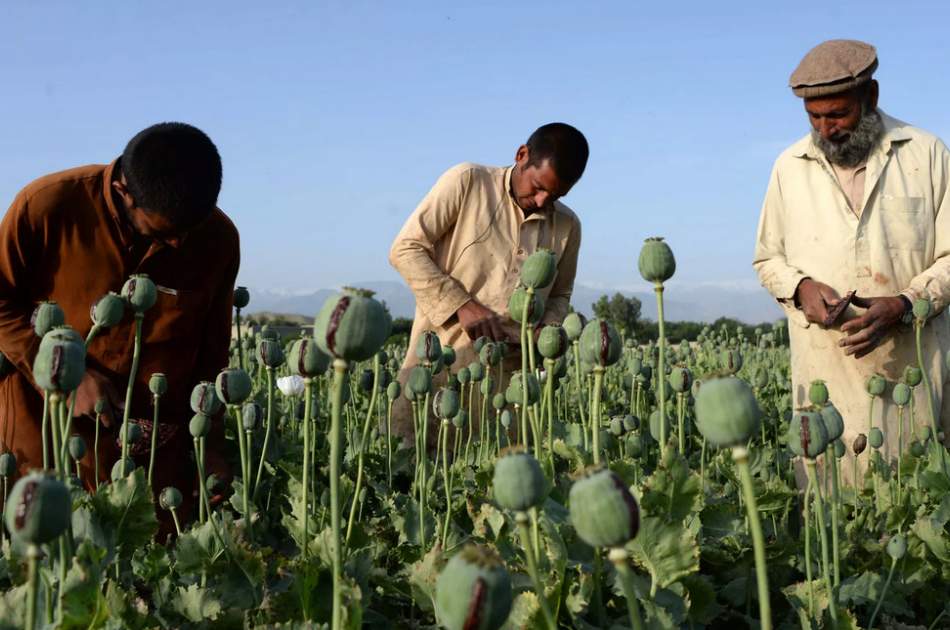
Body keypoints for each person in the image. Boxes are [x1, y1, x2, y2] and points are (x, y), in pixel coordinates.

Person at [0, 122, 240, 520]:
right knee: (47, 556)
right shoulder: (46, 206)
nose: (179, 245)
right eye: (164, 234)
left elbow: (212, 352)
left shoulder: (217, 237)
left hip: (154, 441)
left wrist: (210, 445)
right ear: (123, 193)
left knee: (144, 560)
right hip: (43, 425)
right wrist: (64, 378)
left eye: (187, 232)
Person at [753, 40, 950, 476]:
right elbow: (768, 259)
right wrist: (800, 289)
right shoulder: (790, 165)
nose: (826, 130)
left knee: (910, 501)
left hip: (910, 371)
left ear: (871, 97)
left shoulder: (925, 153)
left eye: (838, 114)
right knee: (830, 516)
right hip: (825, 378)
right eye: (814, 117)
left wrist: (904, 304)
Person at [389, 122, 588, 441]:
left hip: (508, 386)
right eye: (537, 187)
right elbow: (406, 249)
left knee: (487, 478)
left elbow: (560, 295)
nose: (541, 201)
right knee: (414, 467)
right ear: (522, 155)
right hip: (437, 364)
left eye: (555, 195)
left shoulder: (568, 225)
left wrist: (544, 331)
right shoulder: (468, 182)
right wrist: (463, 306)